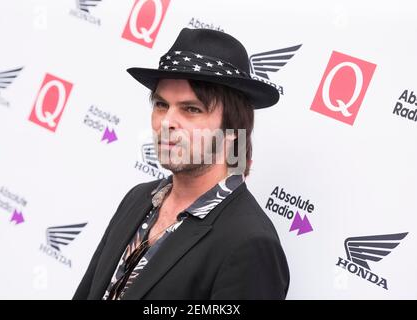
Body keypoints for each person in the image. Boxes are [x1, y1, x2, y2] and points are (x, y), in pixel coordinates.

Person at [73, 28, 289, 300]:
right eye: (162, 105)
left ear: (233, 129)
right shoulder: (138, 198)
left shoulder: (249, 242)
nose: (166, 122)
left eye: (191, 109)